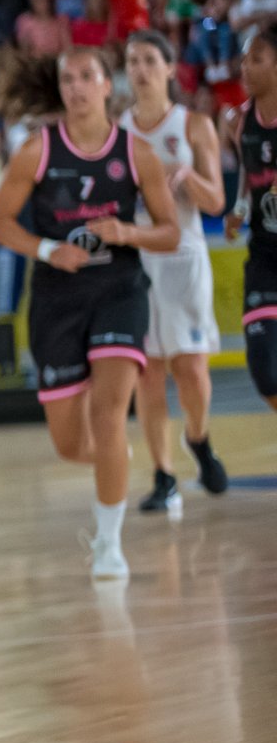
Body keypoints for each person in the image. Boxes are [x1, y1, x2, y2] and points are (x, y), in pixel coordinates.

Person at [0, 48, 181, 579]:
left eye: (86, 76)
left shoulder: (137, 154)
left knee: (110, 413)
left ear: (105, 85)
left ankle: (109, 544)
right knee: (72, 445)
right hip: (57, 297)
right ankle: (115, 466)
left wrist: (128, 232)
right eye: (67, 78)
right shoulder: (36, 151)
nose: (76, 87)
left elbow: (171, 233)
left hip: (119, 287)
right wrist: (49, 250)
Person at [120, 31, 230, 513]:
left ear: (169, 69)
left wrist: (184, 176)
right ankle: (163, 476)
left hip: (184, 255)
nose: (139, 69)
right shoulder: (115, 130)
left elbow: (217, 201)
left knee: (191, 369)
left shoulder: (193, 125)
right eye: (131, 61)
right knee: (148, 374)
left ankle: (198, 438)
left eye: (148, 60)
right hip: (137, 256)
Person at [226, 29, 277, 413]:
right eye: (244, 59)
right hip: (264, 257)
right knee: (266, 373)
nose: (245, 67)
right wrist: (240, 209)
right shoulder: (239, 120)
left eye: (256, 59)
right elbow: (248, 172)